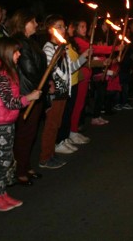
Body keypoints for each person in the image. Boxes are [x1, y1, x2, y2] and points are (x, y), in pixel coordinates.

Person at [0, 37, 41, 211]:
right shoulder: (0, 75)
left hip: (5, 118)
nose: (19, 54)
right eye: (16, 51)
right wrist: (29, 97)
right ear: (7, 52)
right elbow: (10, 102)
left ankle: (1, 193)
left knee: (6, 157)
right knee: (5, 159)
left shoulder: (5, 72)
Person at [40, 15, 88, 167]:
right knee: (51, 125)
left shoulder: (62, 47)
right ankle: (45, 157)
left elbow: (70, 69)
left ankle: (51, 153)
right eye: (59, 26)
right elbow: (52, 71)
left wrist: (83, 58)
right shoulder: (49, 48)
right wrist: (64, 78)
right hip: (55, 93)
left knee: (57, 123)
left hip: (63, 92)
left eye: (63, 26)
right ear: (51, 30)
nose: (63, 29)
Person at [7, 9, 47, 186]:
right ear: (24, 23)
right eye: (33, 21)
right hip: (27, 92)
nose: (36, 24)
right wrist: (42, 83)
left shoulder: (30, 41)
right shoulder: (20, 42)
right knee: (24, 133)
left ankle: (25, 164)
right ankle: (20, 170)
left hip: (35, 91)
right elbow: (30, 69)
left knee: (30, 133)